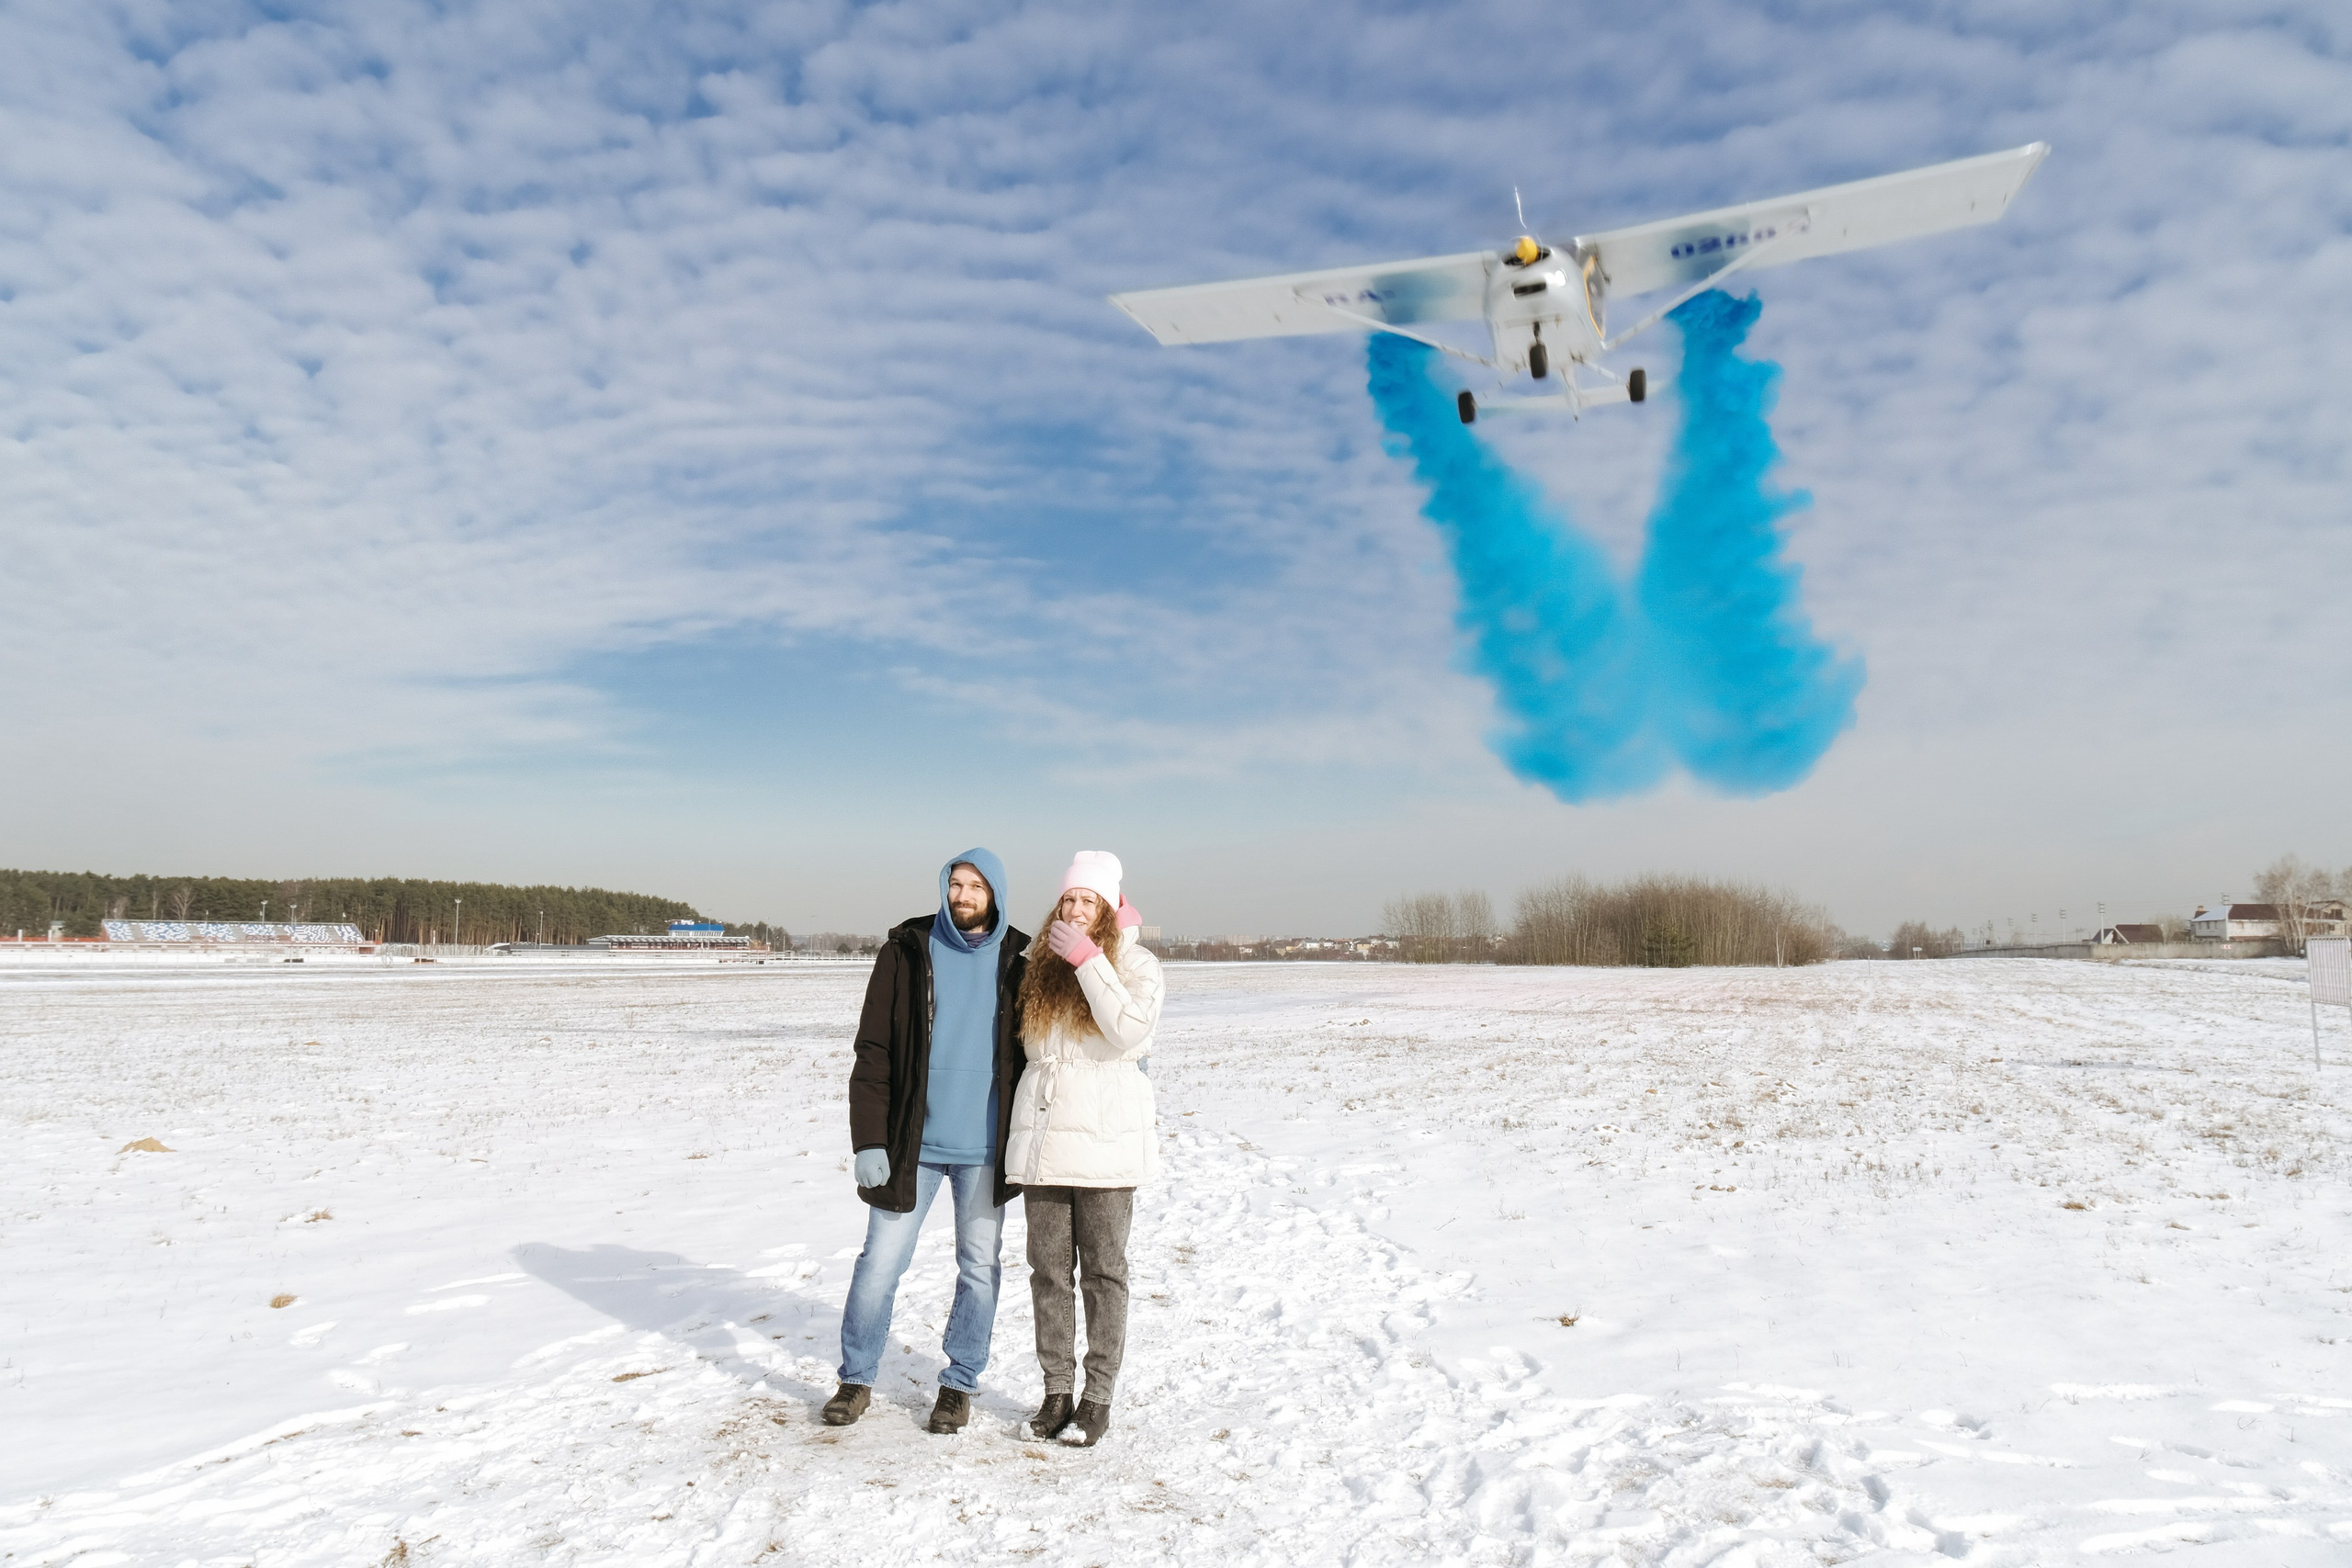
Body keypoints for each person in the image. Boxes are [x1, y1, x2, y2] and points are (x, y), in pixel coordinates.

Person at [824, 850, 1028, 1435]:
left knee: (979, 1270)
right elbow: (874, 1051)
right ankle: (856, 1378)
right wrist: (869, 1141)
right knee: (879, 1265)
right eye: (954, 885)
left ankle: (959, 1385)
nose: (962, 896)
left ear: (996, 894)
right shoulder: (906, 949)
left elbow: (1048, 1043)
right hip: (911, 1147)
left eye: (974, 887)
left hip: (987, 1151)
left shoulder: (1021, 957)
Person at [1005, 850, 1164, 1448]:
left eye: (1088, 900)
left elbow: (1129, 1031)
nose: (1074, 908)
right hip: (1045, 1140)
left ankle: (1097, 1399)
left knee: (1102, 1272)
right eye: (1069, 898)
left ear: (1109, 908)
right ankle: (1056, 1391)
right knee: (1048, 1272)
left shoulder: (1139, 965)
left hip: (1105, 1141)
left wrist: (1091, 961)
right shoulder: (1037, 967)